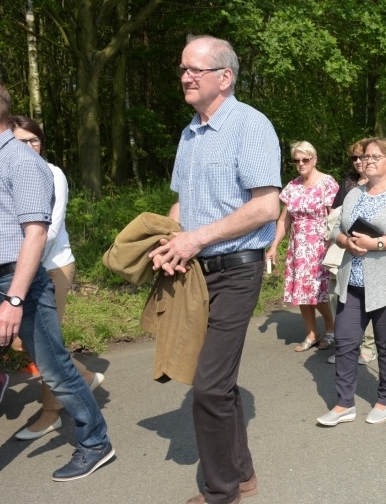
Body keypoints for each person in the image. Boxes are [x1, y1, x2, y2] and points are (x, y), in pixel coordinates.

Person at [148, 36, 281, 504]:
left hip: (238, 269)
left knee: (207, 386)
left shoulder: (251, 125)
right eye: (182, 69)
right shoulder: (190, 133)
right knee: (217, 384)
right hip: (195, 273)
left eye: (195, 70)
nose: (185, 76)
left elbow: (266, 207)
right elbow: (184, 203)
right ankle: (241, 475)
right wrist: (171, 240)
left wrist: (197, 238)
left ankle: (222, 493)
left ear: (224, 78)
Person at [0, 78, 114, 480]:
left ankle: (95, 443)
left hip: (13, 279)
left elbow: (37, 233)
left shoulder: (21, 162)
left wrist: (13, 299)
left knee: (54, 367)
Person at [9, 115, 104, 441]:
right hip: (18, 270)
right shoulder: (6, 172)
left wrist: (17, 265)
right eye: (21, 141)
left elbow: (47, 230)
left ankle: (51, 414)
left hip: (53, 267)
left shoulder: (52, 174)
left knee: (41, 343)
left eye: (34, 140)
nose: (29, 146)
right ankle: (84, 375)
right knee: (22, 340)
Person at [316, 138, 386, 427]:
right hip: (352, 280)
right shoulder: (353, 193)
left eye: (376, 155)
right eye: (365, 156)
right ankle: (343, 404)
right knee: (345, 343)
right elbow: (337, 227)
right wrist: (345, 241)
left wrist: (375, 243)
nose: (368, 160)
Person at [267, 141, 338, 352]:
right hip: (298, 247)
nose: (301, 163)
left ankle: (332, 328)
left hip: (320, 246)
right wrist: (273, 246)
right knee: (301, 292)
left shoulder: (327, 183)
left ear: (314, 159)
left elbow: (335, 217)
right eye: (296, 160)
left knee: (318, 293)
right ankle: (311, 333)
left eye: (305, 159)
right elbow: (283, 221)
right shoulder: (293, 186)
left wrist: (334, 242)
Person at [327, 139, 377, 365]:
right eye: (354, 158)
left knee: (369, 300)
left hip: (374, 253)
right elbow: (334, 215)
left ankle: (367, 347)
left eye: (362, 157)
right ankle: (347, 346)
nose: (358, 161)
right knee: (338, 296)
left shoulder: (383, 185)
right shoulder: (347, 183)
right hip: (344, 249)